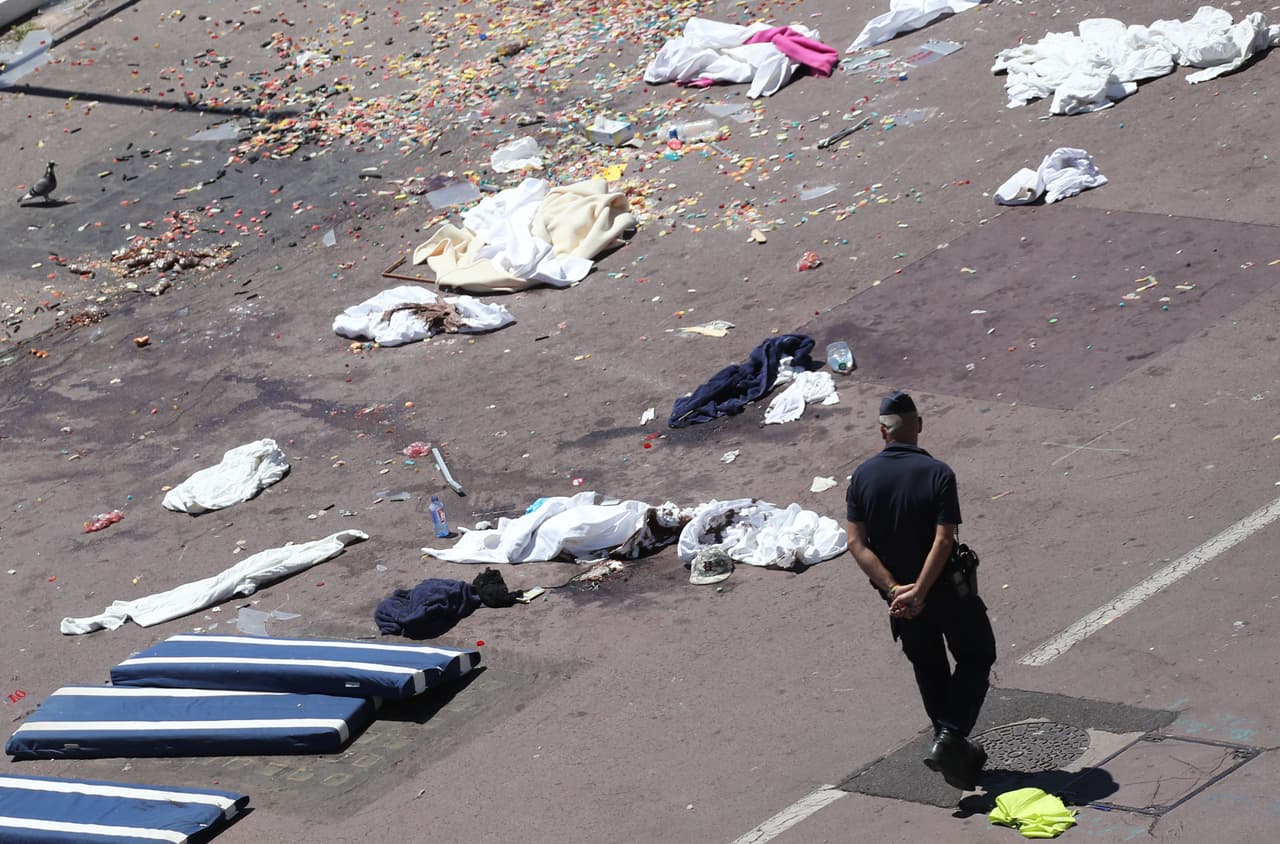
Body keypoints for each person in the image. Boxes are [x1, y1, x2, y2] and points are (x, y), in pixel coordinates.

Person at [845, 390, 997, 790]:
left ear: (882, 431)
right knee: (977, 655)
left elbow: (856, 544)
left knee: (929, 668)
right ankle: (950, 738)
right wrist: (922, 590)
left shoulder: (862, 478)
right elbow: (943, 540)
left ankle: (951, 748)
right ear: (920, 426)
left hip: (900, 603)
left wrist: (898, 590)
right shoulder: (938, 474)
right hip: (945, 592)